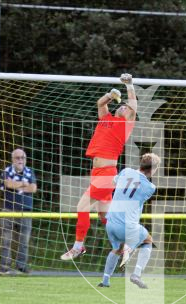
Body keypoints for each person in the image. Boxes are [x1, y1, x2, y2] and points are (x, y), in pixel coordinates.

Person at [61, 73, 138, 261]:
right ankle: (126, 244)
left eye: (125, 107)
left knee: (82, 206)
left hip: (107, 173)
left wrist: (129, 85)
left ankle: (79, 246)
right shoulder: (106, 119)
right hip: (97, 173)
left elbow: (133, 106)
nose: (123, 107)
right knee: (106, 217)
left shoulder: (125, 124)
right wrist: (111, 96)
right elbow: (100, 104)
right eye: (121, 105)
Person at [97, 153, 161, 289]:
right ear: (153, 169)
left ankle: (105, 281)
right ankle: (136, 274)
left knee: (116, 249)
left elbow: (114, 182)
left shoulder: (126, 171)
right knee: (148, 241)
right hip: (126, 226)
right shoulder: (150, 187)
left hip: (111, 223)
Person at [0, 148, 38, 274]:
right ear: (12, 159)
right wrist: (23, 183)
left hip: (25, 211)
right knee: (6, 240)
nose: (20, 160)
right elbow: (8, 184)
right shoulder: (6, 171)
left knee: (24, 241)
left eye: (23, 158)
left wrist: (17, 185)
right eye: (17, 158)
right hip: (9, 209)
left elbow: (33, 188)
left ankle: (21, 266)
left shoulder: (29, 171)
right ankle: (5, 266)